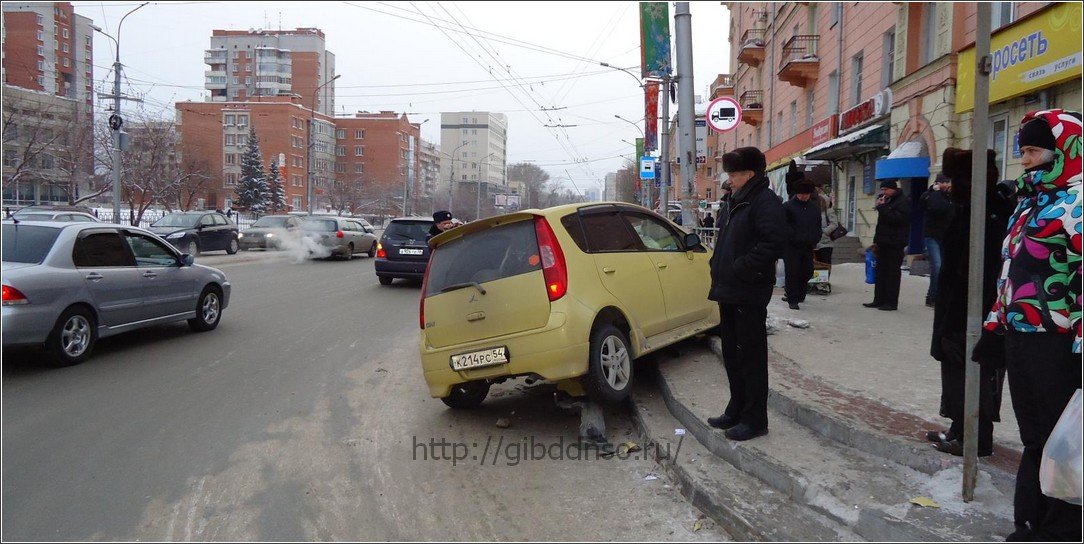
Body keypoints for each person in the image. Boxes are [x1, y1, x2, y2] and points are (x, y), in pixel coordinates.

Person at [976, 109, 1082, 542]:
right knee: (1036, 434)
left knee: (1063, 439)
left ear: (1065, 151)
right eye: (1022, 151)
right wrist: (994, 325)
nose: (1025, 160)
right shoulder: (1032, 202)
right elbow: (1010, 274)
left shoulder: (1077, 203)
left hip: (1059, 344)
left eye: (1034, 150)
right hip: (1023, 338)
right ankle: (1033, 519)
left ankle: (1062, 528)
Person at [927, 148, 1012, 459]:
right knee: (954, 369)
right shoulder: (969, 208)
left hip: (973, 309)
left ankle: (974, 437)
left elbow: (982, 268)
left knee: (972, 369)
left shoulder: (988, 212)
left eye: (955, 180)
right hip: (958, 306)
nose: (949, 187)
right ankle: (959, 428)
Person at [706, 147, 786, 441]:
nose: (730, 180)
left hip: (748, 290)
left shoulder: (765, 202)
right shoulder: (735, 199)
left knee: (751, 357)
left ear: (749, 174)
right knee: (732, 354)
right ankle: (736, 409)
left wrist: (741, 268)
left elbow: (773, 243)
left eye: (734, 174)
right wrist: (717, 264)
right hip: (729, 289)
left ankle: (755, 419)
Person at [863, 179, 911, 311]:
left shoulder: (903, 202)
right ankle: (878, 300)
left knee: (892, 273)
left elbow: (897, 220)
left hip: (895, 243)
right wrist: (876, 241)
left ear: (893, 189)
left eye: (885, 190)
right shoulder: (886, 200)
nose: (883, 192)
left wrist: (882, 208)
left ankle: (891, 302)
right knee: (880, 272)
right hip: (883, 242)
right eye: (882, 190)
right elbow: (882, 224)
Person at [781, 181, 821, 310]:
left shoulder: (814, 208)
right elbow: (784, 225)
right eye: (801, 194)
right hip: (791, 246)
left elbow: (817, 225)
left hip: (807, 245)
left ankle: (800, 293)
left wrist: (816, 237)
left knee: (807, 271)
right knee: (792, 272)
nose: (803, 196)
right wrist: (792, 236)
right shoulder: (787, 207)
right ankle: (792, 299)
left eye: (806, 194)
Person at [920, 174, 954, 307]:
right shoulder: (929, 195)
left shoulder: (951, 196)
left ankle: (936, 296)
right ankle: (933, 297)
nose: (945, 185)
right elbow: (935, 207)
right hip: (932, 235)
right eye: (943, 182)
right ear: (936, 183)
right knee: (937, 266)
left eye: (947, 182)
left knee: (944, 267)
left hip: (946, 236)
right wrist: (935, 193)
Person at [813, 184, 840, 266]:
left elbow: (834, 223)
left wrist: (824, 231)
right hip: (813, 243)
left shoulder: (828, 211)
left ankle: (826, 278)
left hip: (826, 243)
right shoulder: (810, 211)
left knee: (825, 265)